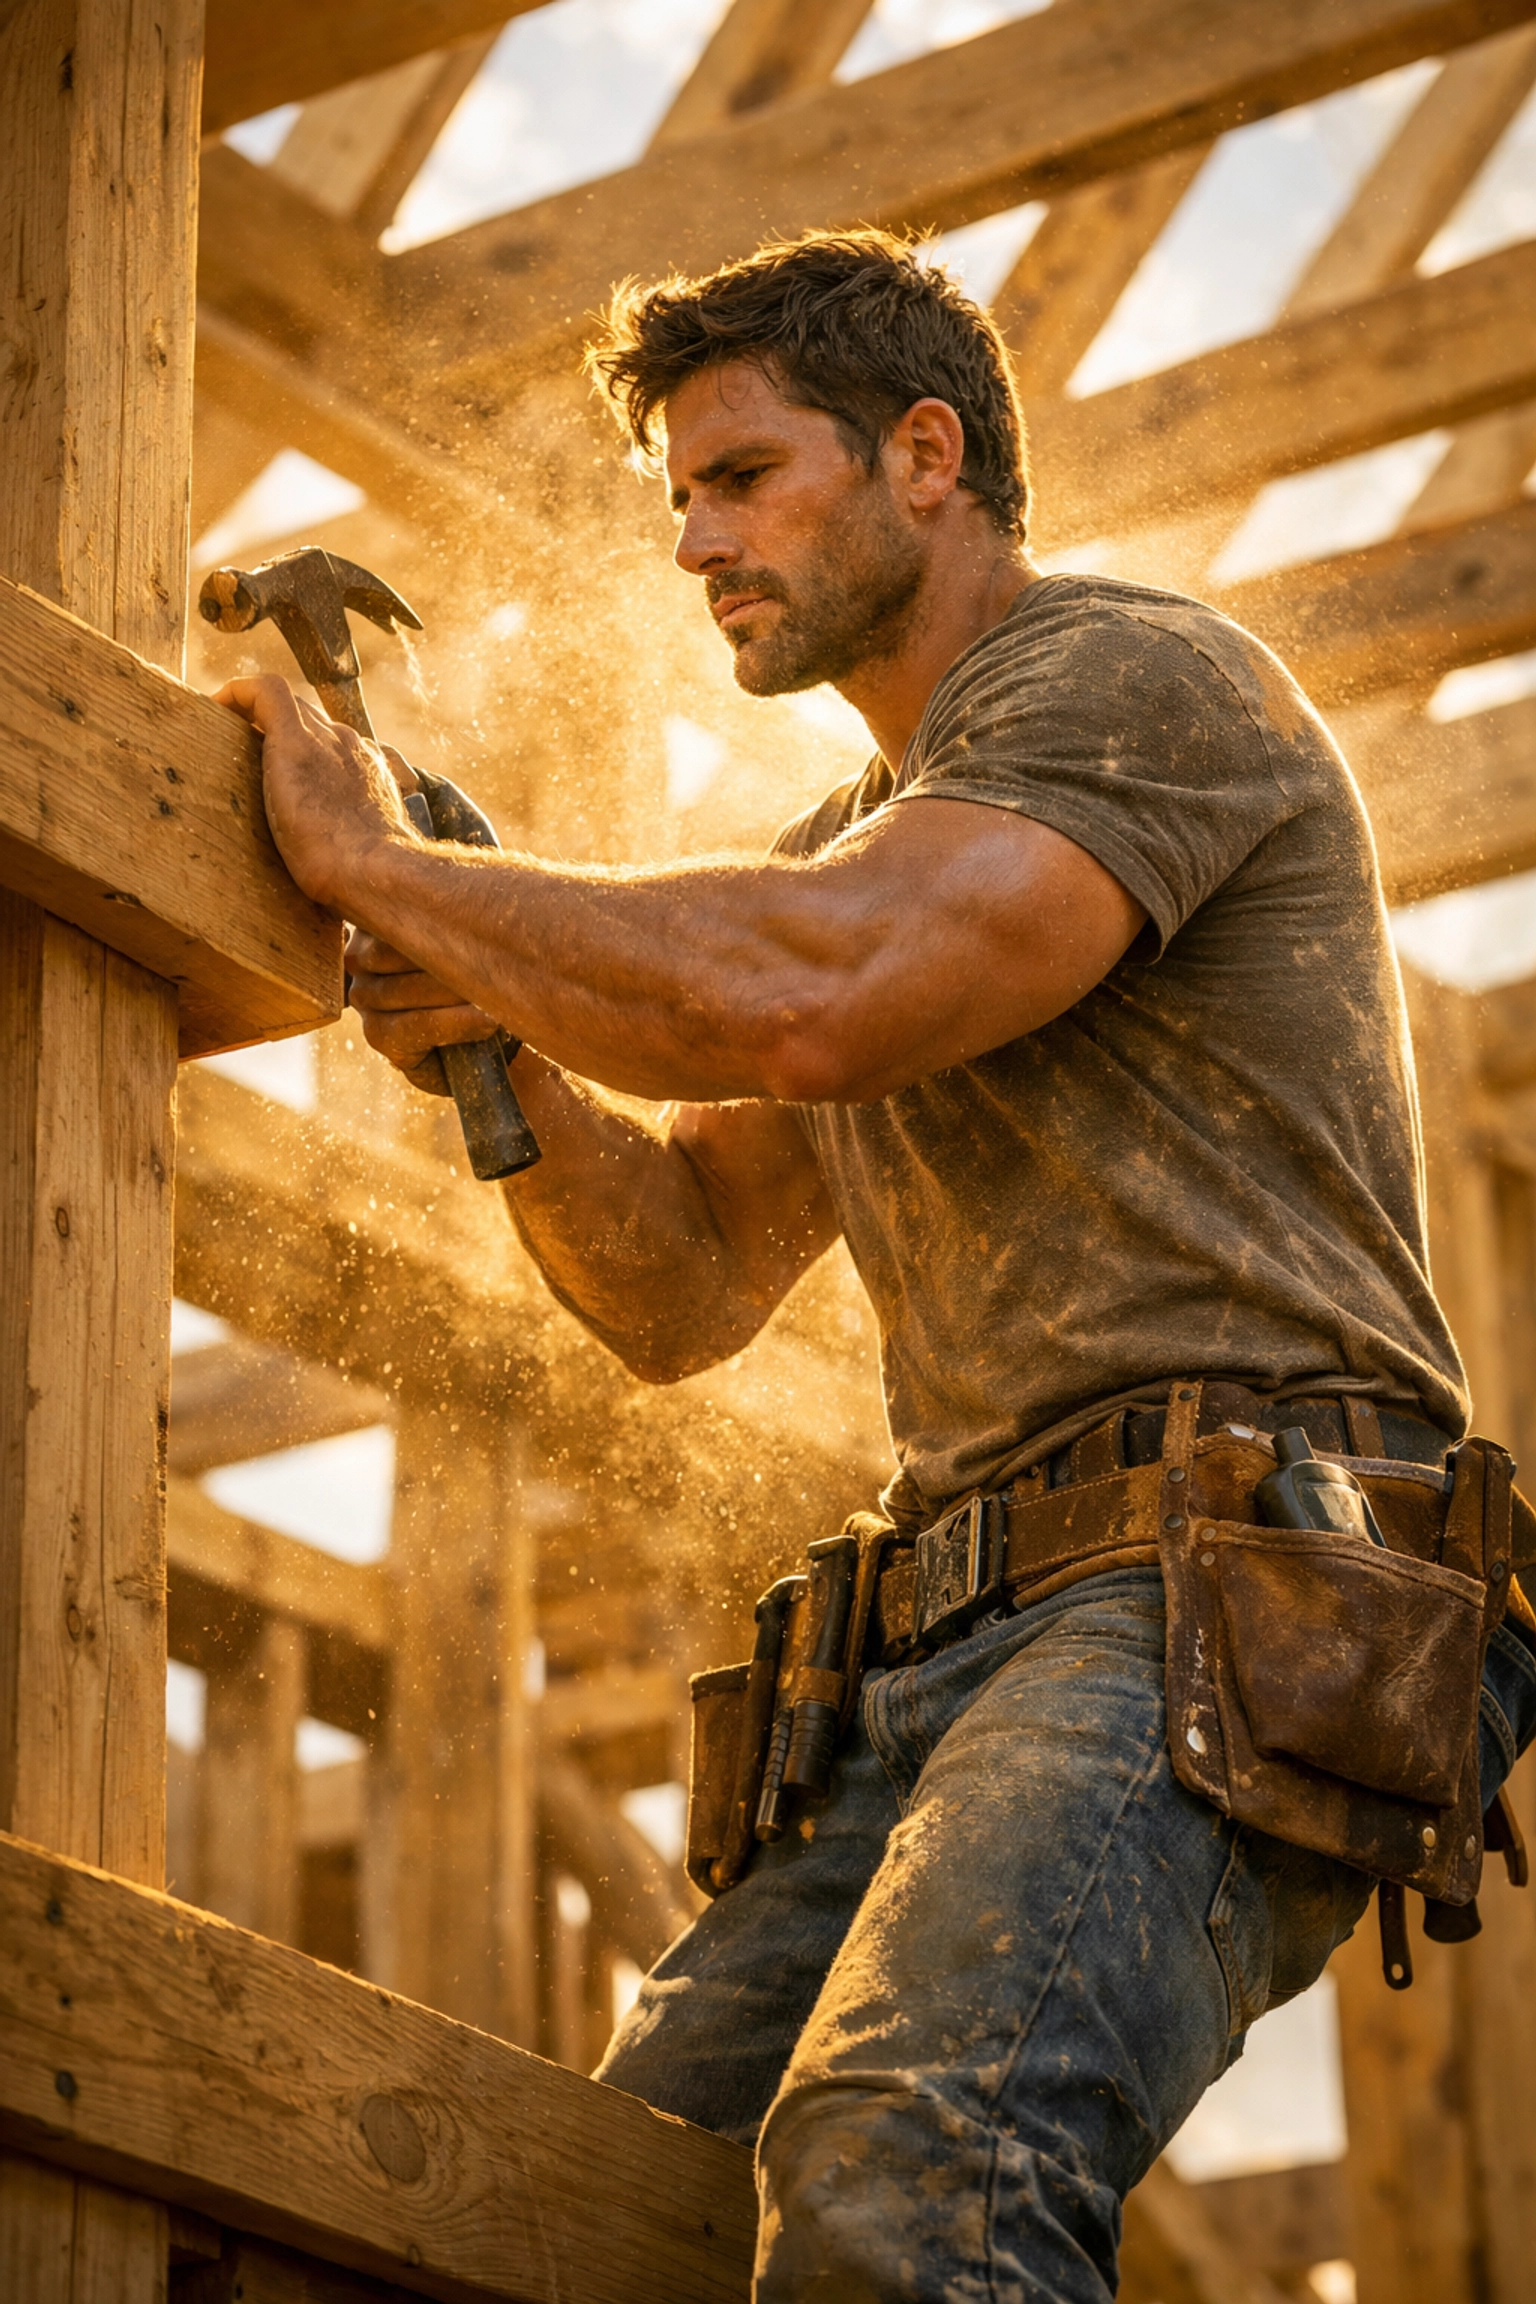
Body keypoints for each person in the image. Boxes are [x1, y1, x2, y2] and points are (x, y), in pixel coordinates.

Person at [219, 231, 1536, 2303]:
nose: (691, 544)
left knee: (919, 2157)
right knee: (596, 2210)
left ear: (927, 455)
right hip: (948, 1644)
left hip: (1223, 1586)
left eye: (743, 477)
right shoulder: (852, 846)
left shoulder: (1133, 678)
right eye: (677, 497)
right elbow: (685, 1282)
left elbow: (821, 990)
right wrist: (503, 1044)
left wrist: (391, 870)